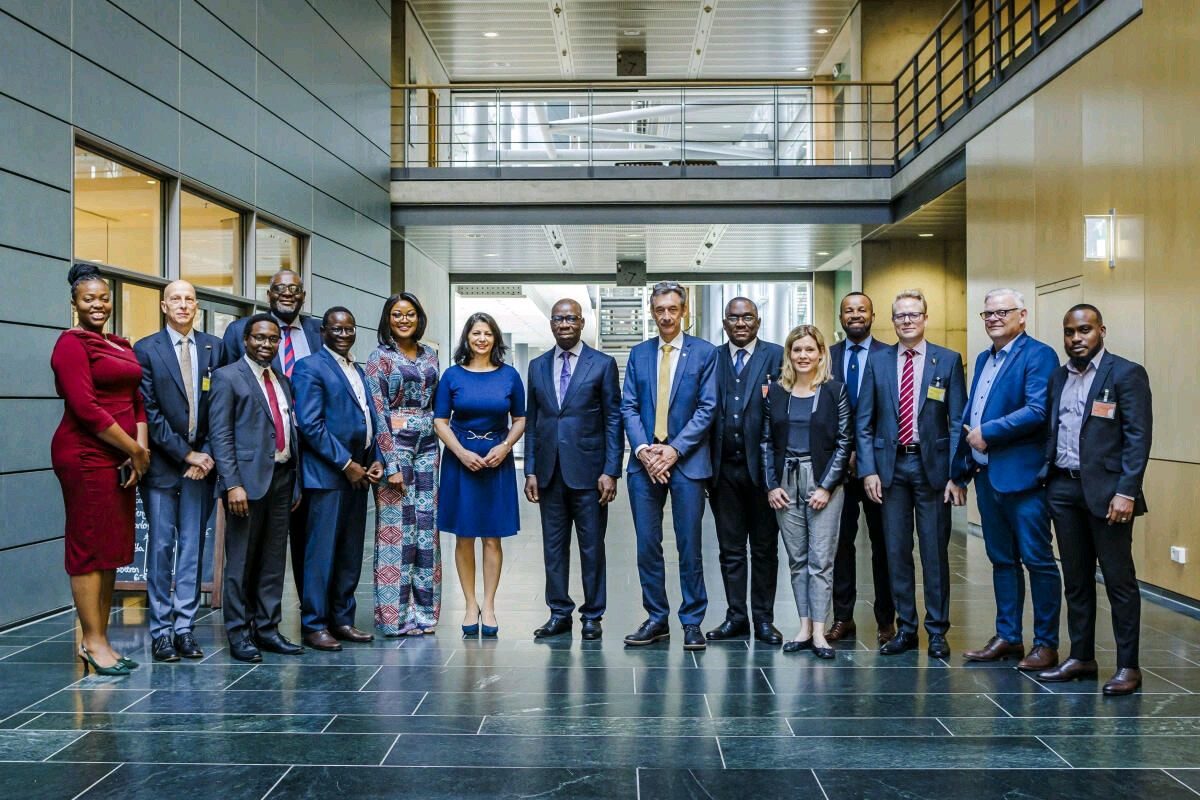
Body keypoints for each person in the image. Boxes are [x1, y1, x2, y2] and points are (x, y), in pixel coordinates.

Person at [1035, 305, 1152, 696]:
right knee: (1076, 580)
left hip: (1109, 494)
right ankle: (1081, 657)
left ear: (1102, 330)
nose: (1076, 338)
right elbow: (1053, 428)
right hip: (1064, 489)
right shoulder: (1058, 376)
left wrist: (1127, 491)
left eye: (1084, 330)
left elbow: (1138, 438)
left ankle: (1128, 666)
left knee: (1119, 582)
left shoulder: (1126, 373)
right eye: (1069, 332)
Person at [954, 288, 1062, 672]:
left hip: (1024, 478)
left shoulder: (1039, 355)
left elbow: (1037, 410)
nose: (994, 319)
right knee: (1001, 560)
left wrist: (989, 432)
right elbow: (971, 413)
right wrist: (960, 470)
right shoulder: (984, 358)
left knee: (1038, 560)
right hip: (987, 476)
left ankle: (1046, 644)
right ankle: (1008, 637)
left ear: (1023, 315)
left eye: (1003, 312)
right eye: (988, 314)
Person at [51, 263, 150, 676]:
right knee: (89, 548)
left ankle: (102, 639)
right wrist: (134, 450)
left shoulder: (120, 344)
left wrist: (139, 450)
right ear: (74, 302)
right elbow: (86, 409)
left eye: (104, 298)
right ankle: (91, 641)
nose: (98, 305)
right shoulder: (71, 344)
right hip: (85, 455)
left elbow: (137, 400)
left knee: (111, 549)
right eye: (88, 298)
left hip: (121, 456)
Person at [857, 289, 966, 658]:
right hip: (890, 470)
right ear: (892, 320)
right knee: (896, 551)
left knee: (934, 552)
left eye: (914, 314)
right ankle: (906, 628)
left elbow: (957, 422)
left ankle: (937, 630)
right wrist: (869, 470)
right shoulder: (878, 361)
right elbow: (864, 423)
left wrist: (955, 473)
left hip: (932, 469)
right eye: (900, 315)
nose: (907, 320)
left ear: (925, 318)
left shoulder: (947, 360)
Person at [621, 281, 718, 651]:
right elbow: (629, 406)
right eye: (659, 309)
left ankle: (692, 621)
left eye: (672, 309)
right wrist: (644, 451)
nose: (666, 316)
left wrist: (674, 450)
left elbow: (707, 408)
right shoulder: (639, 353)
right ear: (652, 312)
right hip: (644, 463)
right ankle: (656, 618)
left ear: (684, 311)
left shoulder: (704, 353)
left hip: (687, 463)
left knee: (689, 545)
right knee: (647, 545)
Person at [134, 280, 225, 662]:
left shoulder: (214, 347)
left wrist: (206, 455)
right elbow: (149, 411)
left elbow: (220, 406)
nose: (183, 305)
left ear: (196, 306)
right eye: (176, 299)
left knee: (192, 547)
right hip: (162, 466)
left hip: (201, 468)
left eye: (189, 299)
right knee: (160, 547)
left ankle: (184, 628)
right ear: (163, 306)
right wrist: (186, 454)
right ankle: (161, 631)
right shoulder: (145, 349)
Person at [524, 299, 622, 641]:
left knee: (592, 547)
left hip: (590, 474)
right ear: (551, 324)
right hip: (549, 473)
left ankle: (593, 615)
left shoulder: (603, 364)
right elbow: (533, 421)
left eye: (570, 318)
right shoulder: (537, 366)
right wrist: (530, 469)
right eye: (558, 319)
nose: (564, 324)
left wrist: (611, 470)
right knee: (553, 548)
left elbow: (613, 419)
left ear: (582, 322)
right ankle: (559, 613)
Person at [209, 314, 304, 663]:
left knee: (273, 561)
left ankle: (267, 628)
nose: (266, 344)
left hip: (281, 478)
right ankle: (238, 632)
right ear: (245, 340)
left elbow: (289, 428)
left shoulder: (281, 379)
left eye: (273, 339)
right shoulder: (227, 377)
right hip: (245, 485)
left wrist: (295, 480)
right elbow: (220, 435)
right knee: (240, 562)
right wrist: (232, 483)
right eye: (259, 337)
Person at [222, 269, 322, 597]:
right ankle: (246, 616)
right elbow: (226, 391)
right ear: (269, 295)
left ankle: (309, 611)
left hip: (308, 449)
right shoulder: (239, 331)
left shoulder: (318, 331)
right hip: (257, 454)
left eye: (295, 289)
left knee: (302, 538)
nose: (287, 293)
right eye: (280, 288)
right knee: (253, 545)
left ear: (303, 296)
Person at [292, 307, 383, 651]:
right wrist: (346, 463)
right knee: (320, 555)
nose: (344, 335)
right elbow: (310, 424)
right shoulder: (310, 367)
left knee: (349, 552)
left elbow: (368, 419)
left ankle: (342, 620)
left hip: (359, 474)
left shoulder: (357, 370)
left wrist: (374, 459)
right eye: (337, 329)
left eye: (349, 329)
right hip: (327, 477)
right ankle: (314, 625)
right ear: (323, 332)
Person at [433, 313, 526, 638]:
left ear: (495, 338)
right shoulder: (452, 375)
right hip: (461, 461)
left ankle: (489, 605)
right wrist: (460, 452)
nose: (482, 339)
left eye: (487, 333)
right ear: (467, 338)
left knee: (491, 536)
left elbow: (520, 418)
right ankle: (470, 604)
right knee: (464, 535)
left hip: (496, 461)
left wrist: (506, 446)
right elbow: (440, 420)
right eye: (476, 333)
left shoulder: (510, 375)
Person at [761, 325, 852, 659]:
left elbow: (844, 441)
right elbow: (766, 441)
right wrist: (772, 485)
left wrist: (827, 486)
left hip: (823, 481)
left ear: (821, 353)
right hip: (786, 483)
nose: (803, 355)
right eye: (797, 350)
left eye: (809, 349)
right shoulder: (777, 391)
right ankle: (803, 627)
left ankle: (819, 632)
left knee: (820, 561)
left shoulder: (834, 391)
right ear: (789, 354)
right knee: (797, 560)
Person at [705, 297, 784, 645]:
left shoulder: (777, 356)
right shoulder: (712, 358)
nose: (740, 323)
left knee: (765, 549)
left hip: (763, 473)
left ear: (758, 321)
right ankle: (736, 617)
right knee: (731, 550)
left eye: (747, 317)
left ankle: (764, 619)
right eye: (734, 318)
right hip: (723, 472)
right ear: (725, 323)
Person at [366, 293, 442, 636]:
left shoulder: (430, 355)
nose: (404, 320)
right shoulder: (379, 358)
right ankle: (394, 617)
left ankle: (425, 613)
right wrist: (390, 462)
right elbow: (378, 412)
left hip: (429, 445)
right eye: (397, 314)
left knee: (426, 529)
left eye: (410, 314)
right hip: (395, 445)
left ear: (419, 318)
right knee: (397, 531)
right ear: (387, 319)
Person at [827, 292, 895, 644]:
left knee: (884, 544)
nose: (855, 315)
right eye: (848, 310)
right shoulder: (827, 356)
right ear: (841, 317)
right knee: (840, 545)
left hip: (879, 469)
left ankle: (886, 619)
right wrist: (846, 452)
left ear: (873, 315)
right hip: (837, 467)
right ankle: (843, 617)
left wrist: (864, 454)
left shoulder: (890, 355)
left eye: (861, 310)